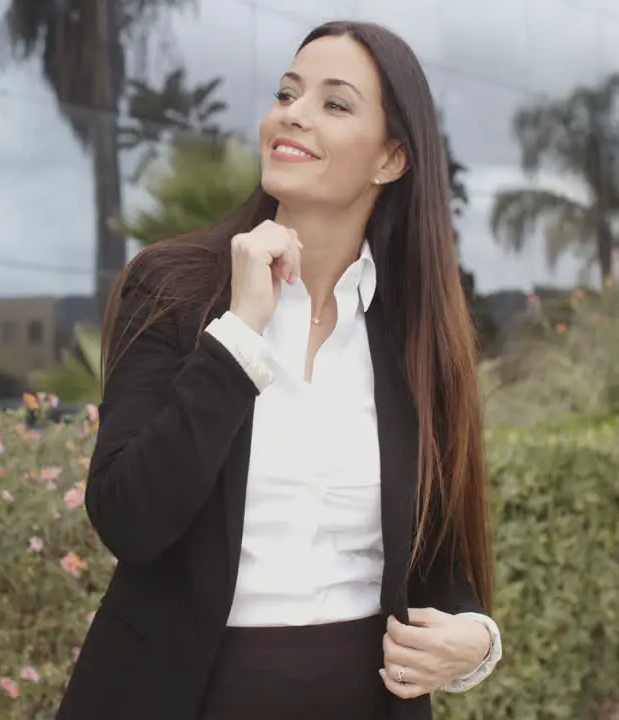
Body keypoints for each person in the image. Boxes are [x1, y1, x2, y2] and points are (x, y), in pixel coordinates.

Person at [56, 19, 501, 720]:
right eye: (288, 92)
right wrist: (239, 336)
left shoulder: (417, 335)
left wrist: (476, 642)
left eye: (335, 102)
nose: (293, 112)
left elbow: (438, 561)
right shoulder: (171, 289)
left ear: (391, 159)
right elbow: (128, 518)